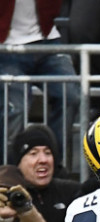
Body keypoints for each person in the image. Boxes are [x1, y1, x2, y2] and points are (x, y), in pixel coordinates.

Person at [0, 0, 81, 156]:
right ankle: (9, 173)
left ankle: (52, 164)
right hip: (5, 46)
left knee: (71, 96)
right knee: (15, 109)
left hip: (47, 39)